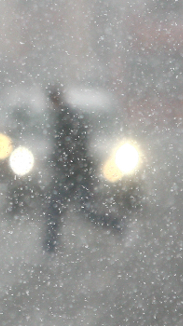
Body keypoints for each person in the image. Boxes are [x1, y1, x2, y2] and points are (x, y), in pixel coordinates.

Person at [43, 83, 123, 254]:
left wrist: (66, 164)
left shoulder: (67, 118)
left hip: (76, 174)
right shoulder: (64, 117)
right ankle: (50, 247)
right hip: (75, 173)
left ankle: (117, 224)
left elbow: (75, 148)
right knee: (65, 210)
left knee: (75, 210)